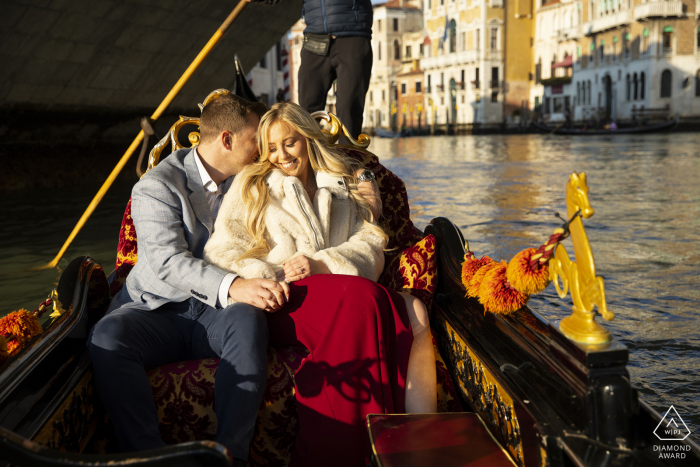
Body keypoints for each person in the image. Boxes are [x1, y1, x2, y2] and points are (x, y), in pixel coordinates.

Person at [87, 93, 383, 463]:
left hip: (220, 311)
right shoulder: (157, 186)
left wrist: (364, 175)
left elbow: (318, 161)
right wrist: (236, 286)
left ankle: (229, 457)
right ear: (227, 140)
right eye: (256, 140)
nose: (265, 150)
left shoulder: (254, 175)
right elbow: (167, 262)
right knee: (107, 337)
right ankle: (150, 458)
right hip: (158, 310)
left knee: (247, 321)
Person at [204, 102, 437, 466]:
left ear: (308, 140)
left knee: (413, 310)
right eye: (272, 148)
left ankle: (417, 441)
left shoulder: (341, 183)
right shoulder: (252, 185)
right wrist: (270, 273)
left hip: (339, 286)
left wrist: (321, 263)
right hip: (282, 297)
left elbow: (371, 242)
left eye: (290, 143)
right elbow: (221, 252)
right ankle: (343, 453)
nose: (281, 156)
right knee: (363, 300)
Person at [248, 0, 373, 140]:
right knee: (307, 110)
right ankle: (307, 157)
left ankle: (348, 157)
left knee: (349, 109)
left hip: (352, 35)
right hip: (315, 38)